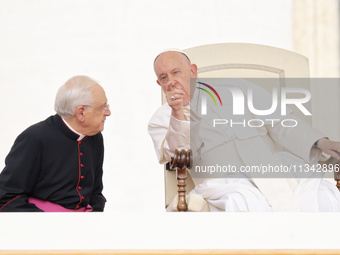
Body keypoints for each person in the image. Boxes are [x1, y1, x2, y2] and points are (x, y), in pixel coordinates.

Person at [148, 49, 340, 212]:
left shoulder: (237, 88)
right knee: (242, 204)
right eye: (164, 77)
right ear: (159, 84)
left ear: (193, 71)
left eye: (176, 72)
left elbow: (281, 122)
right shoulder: (161, 118)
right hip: (223, 182)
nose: (171, 81)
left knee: (323, 195)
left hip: (269, 165)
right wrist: (177, 112)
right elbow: (175, 153)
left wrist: (320, 142)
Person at [0, 75, 110, 212]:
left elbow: (96, 192)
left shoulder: (95, 137)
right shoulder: (34, 138)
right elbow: (6, 196)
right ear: (81, 113)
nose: (108, 113)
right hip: (41, 226)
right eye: (102, 108)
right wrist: (50, 223)